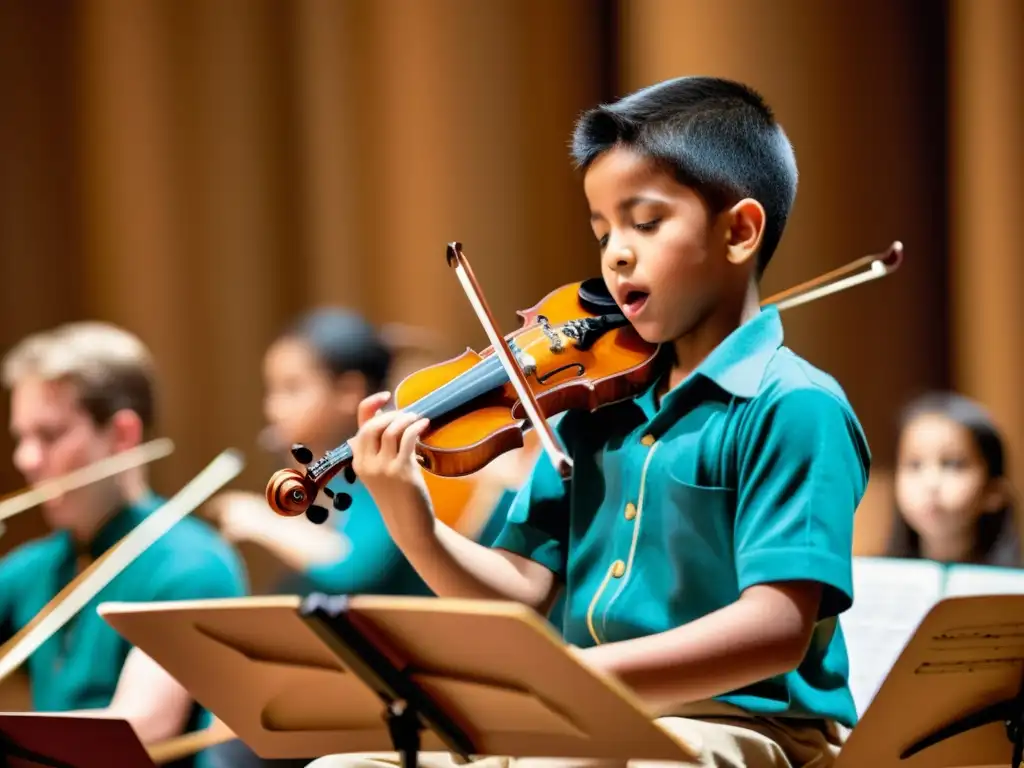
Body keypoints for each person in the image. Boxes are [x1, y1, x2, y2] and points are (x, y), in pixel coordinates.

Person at [308, 75, 871, 768]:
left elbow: (775, 630)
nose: (616, 254)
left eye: (646, 222)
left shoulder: (794, 405)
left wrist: (576, 682)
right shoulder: (592, 404)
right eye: (602, 230)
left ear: (740, 232)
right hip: (583, 718)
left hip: (745, 727)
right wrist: (411, 521)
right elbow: (521, 590)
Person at [0, 321, 248, 768]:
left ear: (123, 436)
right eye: (21, 437)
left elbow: (140, 727)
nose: (26, 459)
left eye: (50, 435)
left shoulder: (190, 564)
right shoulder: (36, 566)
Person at [886, 391, 1019, 567]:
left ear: (993, 492)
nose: (930, 482)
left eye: (953, 464)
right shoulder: (873, 581)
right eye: (915, 465)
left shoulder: (1012, 587)